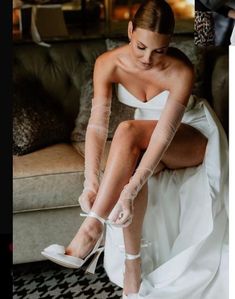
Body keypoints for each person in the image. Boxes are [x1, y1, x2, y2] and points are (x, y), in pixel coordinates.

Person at [41, 0, 229, 298]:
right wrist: (91, 182)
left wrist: (129, 191)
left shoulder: (181, 71)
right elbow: (97, 126)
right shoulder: (108, 63)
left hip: (191, 137)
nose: (147, 59)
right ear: (129, 31)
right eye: (141, 46)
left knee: (128, 132)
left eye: (159, 50)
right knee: (130, 150)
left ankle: (91, 229)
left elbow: (164, 135)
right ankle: (133, 267)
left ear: (169, 44)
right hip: (144, 136)